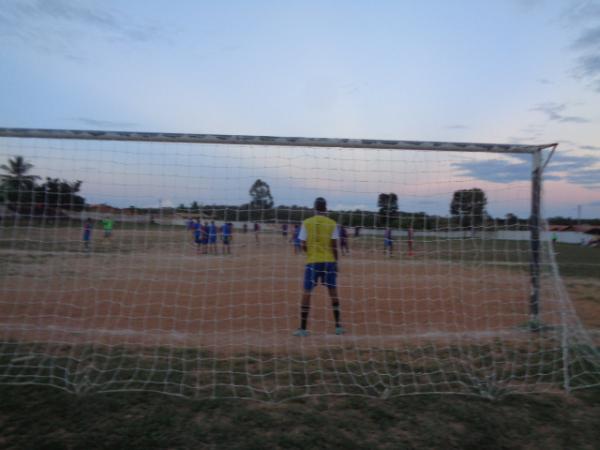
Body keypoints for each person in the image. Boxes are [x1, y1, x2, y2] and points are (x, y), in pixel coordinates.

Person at [293, 197, 344, 337]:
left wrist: (310, 253)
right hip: (328, 262)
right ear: (326, 208)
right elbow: (334, 246)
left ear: (314, 208)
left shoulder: (307, 223)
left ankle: (303, 329)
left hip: (313, 262)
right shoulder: (332, 223)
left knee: (307, 292)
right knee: (333, 291)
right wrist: (336, 262)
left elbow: (302, 244)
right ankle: (338, 326)